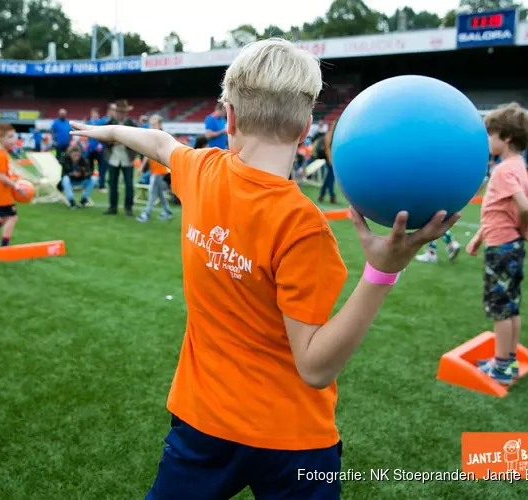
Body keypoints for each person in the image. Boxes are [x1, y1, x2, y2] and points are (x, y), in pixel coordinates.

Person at [70, 38, 457, 499]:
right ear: (306, 126)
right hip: (293, 441)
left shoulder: (201, 171)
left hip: (202, 424)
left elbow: (155, 141)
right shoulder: (303, 226)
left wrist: (109, 132)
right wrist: (382, 271)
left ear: (228, 117)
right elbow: (314, 368)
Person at [466, 103, 528, 386]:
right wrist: (479, 237)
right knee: (511, 307)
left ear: (505, 137)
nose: (487, 141)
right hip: (509, 245)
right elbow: (499, 210)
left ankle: (503, 367)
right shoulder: (518, 167)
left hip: (502, 249)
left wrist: (524, 227)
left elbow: (523, 206)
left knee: (499, 309)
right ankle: (507, 359)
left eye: (490, 135)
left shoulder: (504, 170)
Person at [137, 115, 173, 223]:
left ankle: (146, 214)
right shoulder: (153, 136)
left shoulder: (162, 136)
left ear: (160, 124)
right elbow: (147, 153)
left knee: (152, 192)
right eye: (151, 124)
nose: (152, 126)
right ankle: (167, 211)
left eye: (154, 124)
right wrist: (141, 167)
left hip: (160, 170)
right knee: (159, 193)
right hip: (155, 170)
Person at [104, 99, 137, 216]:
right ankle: (112, 207)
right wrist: (113, 142)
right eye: (119, 111)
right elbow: (103, 139)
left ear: (126, 113)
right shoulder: (109, 123)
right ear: (115, 112)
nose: (121, 114)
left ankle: (128, 208)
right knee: (112, 184)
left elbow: (137, 140)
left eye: (123, 112)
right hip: (113, 158)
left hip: (127, 159)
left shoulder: (132, 124)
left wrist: (126, 142)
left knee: (129, 185)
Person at [313, 120, 337, 204]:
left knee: (328, 179)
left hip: (331, 160)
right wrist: (331, 162)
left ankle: (322, 195)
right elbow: (327, 149)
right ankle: (332, 196)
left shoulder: (332, 134)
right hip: (330, 160)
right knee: (330, 179)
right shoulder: (330, 134)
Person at [86, 107, 109, 191]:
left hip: (100, 149)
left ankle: (101, 185)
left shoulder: (102, 122)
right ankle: (89, 185)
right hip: (90, 149)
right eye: (93, 113)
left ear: (98, 115)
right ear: (91, 114)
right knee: (90, 168)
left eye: (96, 113)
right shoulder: (88, 123)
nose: (95, 115)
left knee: (101, 168)